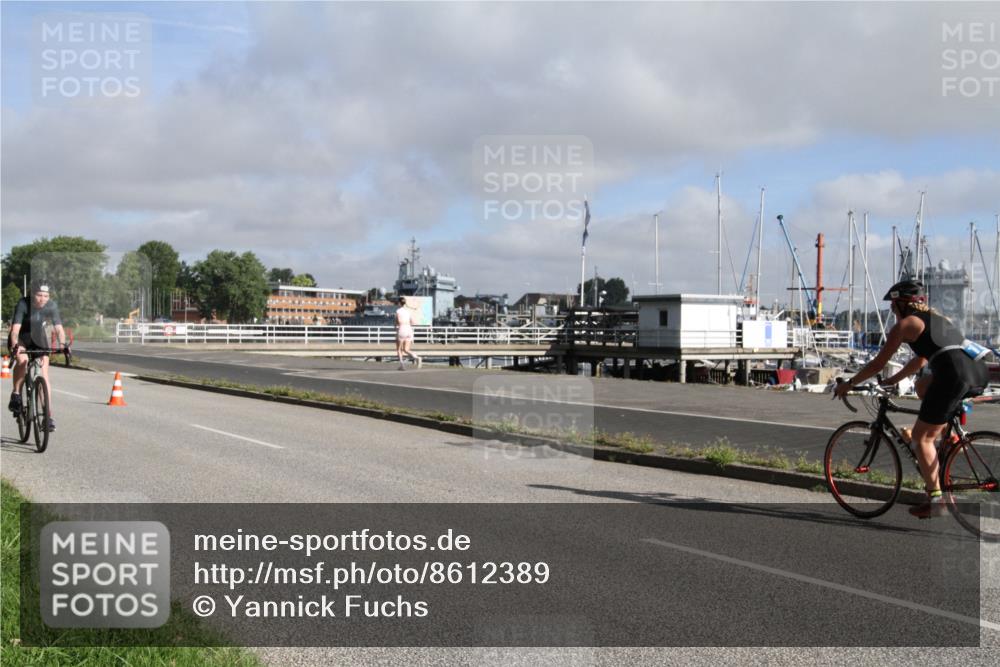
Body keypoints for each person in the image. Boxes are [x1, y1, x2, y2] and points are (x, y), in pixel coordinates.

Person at [834, 279, 989, 518]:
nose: (892, 310)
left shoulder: (906, 324)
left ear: (904, 303)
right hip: (977, 372)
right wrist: (893, 380)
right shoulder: (937, 320)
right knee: (921, 386)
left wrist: (850, 384)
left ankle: (936, 500)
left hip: (953, 376)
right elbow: (921, 360)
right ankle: (951, 436)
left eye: (894, 306)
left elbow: (878, 363)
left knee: (920, 438)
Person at [8, 282, 69, 431]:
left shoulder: (51, 306)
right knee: (22, 361)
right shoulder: (23, 303)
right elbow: (15, 330)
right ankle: (16, 394)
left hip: (38, 339)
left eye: (46, 296)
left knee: (44, 374)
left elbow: (59, 329)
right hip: (21, 338)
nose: (43, 299)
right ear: (32, 294)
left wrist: (63, 344)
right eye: (39, 295)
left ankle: (47, 416)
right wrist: (15, 345)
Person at [395, 296, 422, 370]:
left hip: (402, 329)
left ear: (399, 303)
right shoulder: (408, 311)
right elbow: (412, 322)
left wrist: (395, 325)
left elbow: (398, 321)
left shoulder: (398, 311)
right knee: (406, 349)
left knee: (399, 349)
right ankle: (417, 357)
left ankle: (402, 365)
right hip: (409, 330)